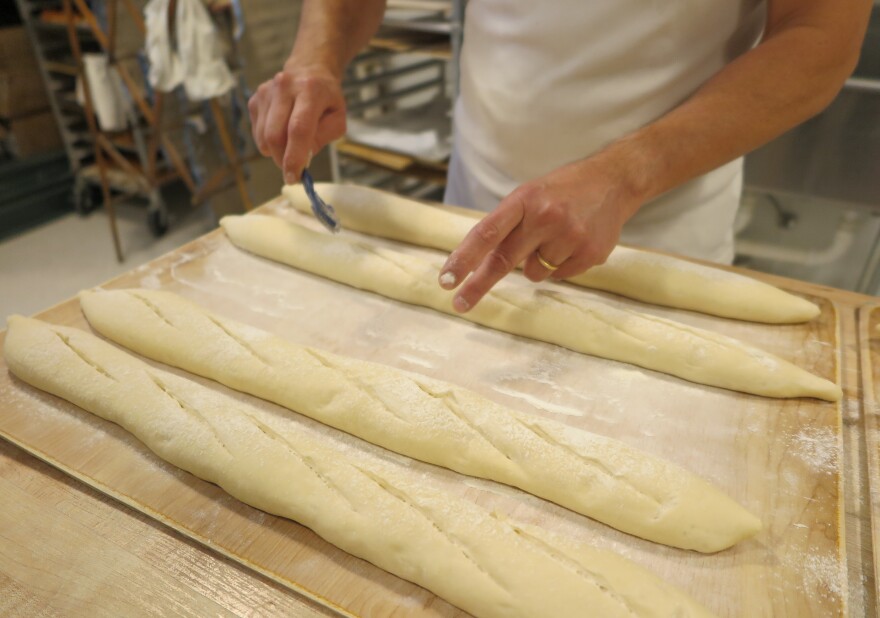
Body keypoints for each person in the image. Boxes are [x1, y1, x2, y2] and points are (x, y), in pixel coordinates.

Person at [248, 0, 871, 313]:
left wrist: (625, 175)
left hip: (652, 238)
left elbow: (819, 40)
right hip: (470, 221)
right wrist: (316, 56)